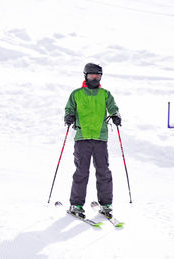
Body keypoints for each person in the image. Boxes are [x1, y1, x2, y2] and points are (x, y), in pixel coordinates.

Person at [64, 63, 121, 218]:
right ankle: (76, 204)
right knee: (81, 171)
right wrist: (69, 116)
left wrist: (116, 115)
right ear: (85, 76)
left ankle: (106, 204)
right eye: (91, 75)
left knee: (103, 171)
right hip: (82, 138)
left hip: (100, 138)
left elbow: (113, 107)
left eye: (98, 75)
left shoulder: (105, 94)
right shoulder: (76, 94)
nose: (95, 78)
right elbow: (69, 108)